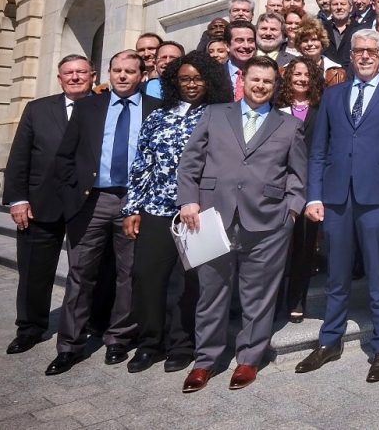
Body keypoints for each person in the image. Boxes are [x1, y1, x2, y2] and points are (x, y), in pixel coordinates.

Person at [176, 55, 307, 392]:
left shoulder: (289, 124)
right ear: (242, 81)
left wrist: (291, 212)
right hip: (212, 218)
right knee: (211, 294)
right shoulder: (215, 114)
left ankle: (249, 358)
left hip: (268, 224)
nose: (260, 86)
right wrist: (189, 200)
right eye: (255, 80)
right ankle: (205, 361)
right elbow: (190, 161)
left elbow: (298, 174)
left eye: (267, 81)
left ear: (275, 85)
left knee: (259, 295)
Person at [297, 29, 379, 383]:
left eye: (372, 51)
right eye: (359, 50)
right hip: (335, 199)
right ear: (350, 55)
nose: (365, 56)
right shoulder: (333, 96)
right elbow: (318, 150)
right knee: (336, 274)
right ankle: (329, 341)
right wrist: (314, 195)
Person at [45, 50, 163, 376]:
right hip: (92, 201)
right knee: (81, 275)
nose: (123, 76)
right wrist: (74, 193)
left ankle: (118, 339)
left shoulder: (156, 109)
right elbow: (65, 156)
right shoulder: (88, 107)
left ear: (142, 75)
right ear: (108, 73)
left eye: (130, 71)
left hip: (134, 204)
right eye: (117, 70)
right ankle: (69, 346)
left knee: (129, 274)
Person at [121, 51, 231, 374]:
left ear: (209, 80)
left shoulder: (220, 116)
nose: (191, 84)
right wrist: (133, 207)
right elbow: (142, 163)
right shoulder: (158, 115)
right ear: (174, 81)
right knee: (147, 276)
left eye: (197, 78)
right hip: (156, 207)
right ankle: (149, 343)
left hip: (198, 211)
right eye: (184, 78)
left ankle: (181, 345)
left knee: (189, 284)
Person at [2, 54, 94, 355]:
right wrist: (17, 198)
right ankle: (30, 328)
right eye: (69, 72)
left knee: (92, 271)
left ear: (92, 75)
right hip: (41, 204)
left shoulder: (105, 108)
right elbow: (19, 157)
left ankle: (92, 322)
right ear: (59, 78)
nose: (76, 77)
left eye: (81, 72)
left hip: (89, 204)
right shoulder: (38, 109)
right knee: (34, 271)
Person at [275, 57, 325, 324]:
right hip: (277, 185)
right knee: (276, 248)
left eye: (307, 74)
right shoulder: (276, 108)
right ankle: (271, 301)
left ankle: (296, 299)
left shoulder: (321, 108)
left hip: (310, 186)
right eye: (296, 73)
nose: (302, 78)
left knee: (304, 247)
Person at [224, 20, 257, 102]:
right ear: (227, 46)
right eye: (239, 40)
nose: (246, 46)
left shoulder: (267, 73)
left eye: (250, 40)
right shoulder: (214, 74)